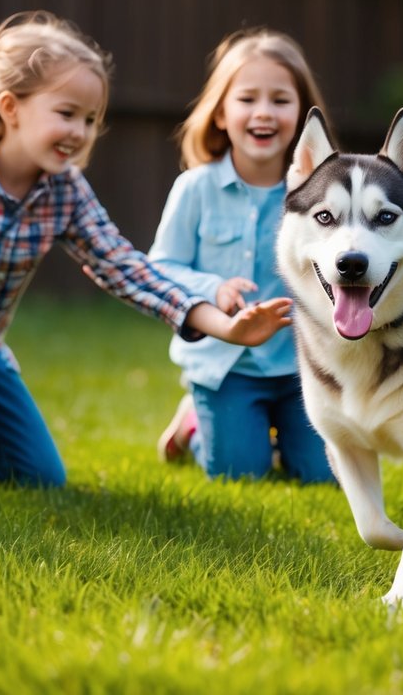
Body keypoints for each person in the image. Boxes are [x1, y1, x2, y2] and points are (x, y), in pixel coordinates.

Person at [0, 12, 292, 504]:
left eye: (90, 120)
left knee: (39, 477)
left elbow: (127, 269)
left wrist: (227, 327)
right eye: (67, 113)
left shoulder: (64, 192)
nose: (80, 131)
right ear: (11, 108)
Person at [148, 29, 334, 483]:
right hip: (225, 367)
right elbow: (160, 269)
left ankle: (279, 437)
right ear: (220, 114)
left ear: (304, 114)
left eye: (280, 100)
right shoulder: (195, 189)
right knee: (240, 475)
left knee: (320, 476)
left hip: (300, 366)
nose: (264, 113)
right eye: (247, 99)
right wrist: (212, 288)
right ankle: (194, 427)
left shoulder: (322, 194)